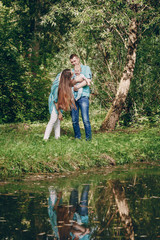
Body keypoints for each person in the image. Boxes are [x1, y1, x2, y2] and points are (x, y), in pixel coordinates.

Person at [43, 69, 76, 140]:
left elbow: (65, 73)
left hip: (59, 104)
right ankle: (45, 139)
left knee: (57, 121)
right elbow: (55, 101)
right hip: (54, 104)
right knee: (53, 119)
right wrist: (59, 113)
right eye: (71, 75)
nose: (72, 76)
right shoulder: (57, 86)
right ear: (68, 77)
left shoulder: (64, 83)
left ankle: (57, 138)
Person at [70, 54, 92, 141]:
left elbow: (88, 81)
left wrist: (77, 86)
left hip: (83, 96)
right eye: (72, 62)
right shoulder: (72, 71)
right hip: (73, 98)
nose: (73, 63)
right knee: (74, 120)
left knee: (85, 119)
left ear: (78, 59)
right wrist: (76, 80)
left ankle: (88, 138)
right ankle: (77, 137)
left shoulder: (86, 68)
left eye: (74, 61)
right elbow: (69, 83)